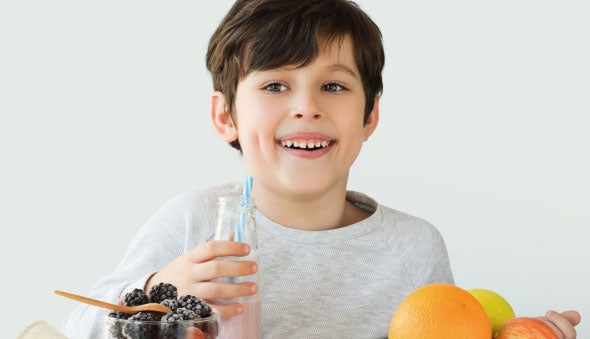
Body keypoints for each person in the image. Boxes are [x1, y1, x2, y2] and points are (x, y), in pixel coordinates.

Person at [63, 0, 581, 338]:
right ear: (227, 116)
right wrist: (159, 292)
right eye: (274, 86)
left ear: (369, 114)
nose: (306, 107)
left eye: (333, 86)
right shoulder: (193, 224)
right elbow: (77, 325)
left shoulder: (413, 248)